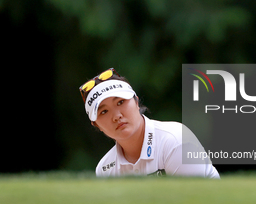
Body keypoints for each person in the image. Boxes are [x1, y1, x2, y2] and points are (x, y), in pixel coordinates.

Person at [79, 68, 220, 178]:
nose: (116, 116)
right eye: (104, 112)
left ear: (136, 102)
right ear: (96, 125)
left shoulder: (175, 140)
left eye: (121, 102)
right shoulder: (105, 169)